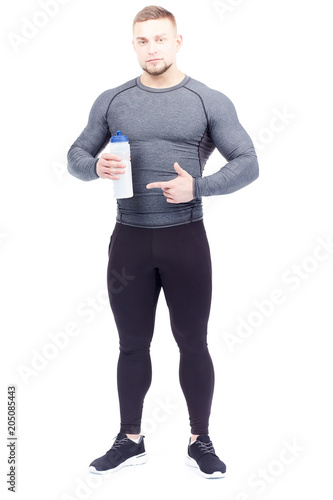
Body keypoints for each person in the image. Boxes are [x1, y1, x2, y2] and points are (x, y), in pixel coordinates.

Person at [67, 5, 259, 479]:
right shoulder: (112, 100)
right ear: (133, 45)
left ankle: (200, 439)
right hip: (128, 240)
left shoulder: (206, 99)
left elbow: (248, 162)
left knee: (192, 342)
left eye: (160, 39)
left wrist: (199, 186)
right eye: (142, 40)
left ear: (178, 42)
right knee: (131, 345)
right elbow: (74, 155)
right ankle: (130, 440)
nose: (152, 48)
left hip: (185, 240)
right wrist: (94, 167)